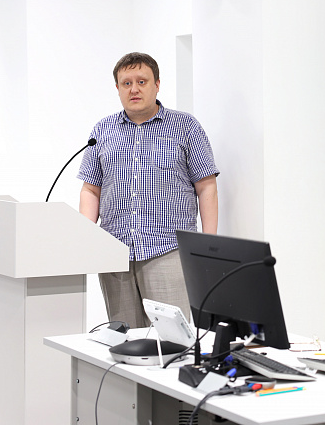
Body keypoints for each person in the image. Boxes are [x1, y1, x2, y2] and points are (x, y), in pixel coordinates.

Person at [77, 52, 219, 328]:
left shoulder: (186, 127)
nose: (134, 89)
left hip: (168, 250)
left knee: (170, 340)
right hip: (115, 253)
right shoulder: (102, 130)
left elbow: (207, 187)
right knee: (125, 339)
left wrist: (207, 246)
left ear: (157, 84)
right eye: (126, 83)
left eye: (141, 81)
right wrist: (85, 238)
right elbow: (90, 190)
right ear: (117, 88)